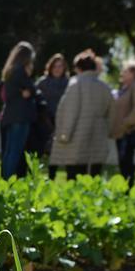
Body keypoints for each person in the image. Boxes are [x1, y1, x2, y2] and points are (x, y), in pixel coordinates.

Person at [49, 49, 114, 180]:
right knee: (93, 181)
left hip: (77, 141)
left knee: (75, 180)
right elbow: (111, 113)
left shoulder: (75, 84)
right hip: (98, 139)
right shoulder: (105, 87)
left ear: (78, 68)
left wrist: (64, 135)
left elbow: (70, 112)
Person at [0, 41, 37, 179]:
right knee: (15, 151)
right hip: (20, 116)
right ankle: (8, 180)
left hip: (10, 115)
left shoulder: (9, 71)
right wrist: (27, 90)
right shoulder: (20, 71)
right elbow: (32, 90)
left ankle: (4, 178)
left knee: (9, 151)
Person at [110, 58, 135, 186]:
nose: (122, 73)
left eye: (125, 71)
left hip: (129, 132)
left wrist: (125, 124)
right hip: (122, 133)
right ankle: (125, 193)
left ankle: (127, 194)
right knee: (123, 165)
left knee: (127, 166)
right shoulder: (124, 89)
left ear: (134, 72)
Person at [36, 54, 69, 179]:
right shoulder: (42, 82)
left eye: (60, 66)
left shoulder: (69, 83)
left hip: (62, 121)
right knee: (43, 151)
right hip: (44, 121)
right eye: (55, 66)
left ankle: (53, 176)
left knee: (58, 152)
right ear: (50, 67)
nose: (57, 69)